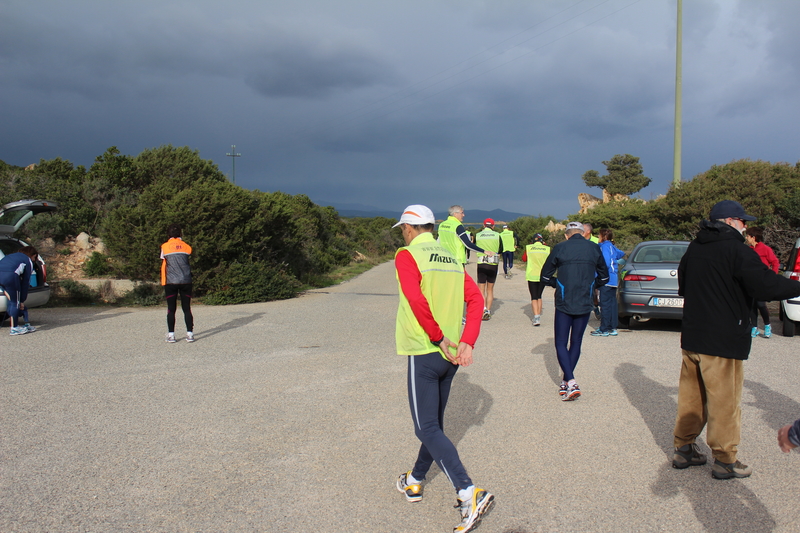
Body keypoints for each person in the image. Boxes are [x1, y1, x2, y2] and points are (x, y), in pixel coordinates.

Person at [673, 200, 800, 479]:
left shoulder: (694, 249)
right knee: (724, 402)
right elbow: (766, 284)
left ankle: (684, 449)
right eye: (742, 221)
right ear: (729, 221)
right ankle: (725, 459)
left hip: (693, 336)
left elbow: (683, 287)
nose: (745, 226)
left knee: (692, 399)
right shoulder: (738, 251)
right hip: (724, 339)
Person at [392, 205, 494, 533]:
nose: (403, 234)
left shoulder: (407, 255)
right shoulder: (450, 256)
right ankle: (415, 479)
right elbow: (476, 300)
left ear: (409, 228)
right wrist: (468, 340)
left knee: (426, 428)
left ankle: (467, 491)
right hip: (450, 357)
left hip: (425, 350)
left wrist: (437, 337)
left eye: (402, 229)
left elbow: (415, 299)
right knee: (432, 425)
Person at [541, 222, 609, 401]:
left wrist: (559, 284)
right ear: (583, 233)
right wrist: (592, 286)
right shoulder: (594, 248)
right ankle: (566, 381)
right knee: (576, 341)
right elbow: (605, 276)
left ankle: (570, 381)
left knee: (561, 343)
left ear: (566, 235)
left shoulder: (560, 247)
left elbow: (545, 276)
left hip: (564, 301)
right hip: (585, 300)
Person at [161, 224, 195, 343]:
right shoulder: (187, 247)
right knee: (186, 308)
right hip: (186, 280)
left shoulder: (165, 246)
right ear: (180, 234)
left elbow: (164, 261)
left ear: (168, 234)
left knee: (171, 309)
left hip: (171, 281)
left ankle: (171, 335)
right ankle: (190, 334)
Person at [744, 227, 779, 338]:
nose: (746, 237)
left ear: (753, 237)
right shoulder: (748, 250)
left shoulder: (765, 249)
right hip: (750, 281)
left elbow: (775, 262)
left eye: (748, 236)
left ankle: (767, 325)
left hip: (762, 281)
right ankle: (754, 327)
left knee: (760, 304)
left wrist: (772, 276)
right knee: (751, 305)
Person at [591, 229, 626, 337]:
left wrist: (598, 272)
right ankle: (612, 327)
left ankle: (604, 328)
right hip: (614, 279)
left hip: (606, 279)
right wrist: (614, 260)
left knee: (604, 304)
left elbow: (605, 262)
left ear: (603, 236)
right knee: (612, 304)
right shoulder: (611, 245)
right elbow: (621, 253)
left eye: (599, 235)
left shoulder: (604, 246)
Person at [0, 246, 39, 336]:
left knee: (11, 300)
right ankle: (14, 328)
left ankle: (21, 325)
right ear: (34, 255)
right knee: (15, 302)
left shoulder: (12, 256)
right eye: (34, 258)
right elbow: (25, 282)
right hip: (10, 276)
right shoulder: (28, 260)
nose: (34, 260)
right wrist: (22, 300)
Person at [475, 218, 503, 321]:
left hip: (481, 263)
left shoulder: (478, 235)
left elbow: (474, 246)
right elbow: (501, 249)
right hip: (493, 264)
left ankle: (483, 309)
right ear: (493, 226)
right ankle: (488, 311)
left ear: (483, 226)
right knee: (490, 289)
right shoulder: (497, 235)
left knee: (481, 289)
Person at [522, 234, 550, 326]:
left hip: (532, 275)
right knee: (539, 295)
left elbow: (524, 259)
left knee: (534, 297)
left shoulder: (529, 248)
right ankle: (539, 314)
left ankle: (536, 317)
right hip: (542, 275)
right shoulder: (547, 249)